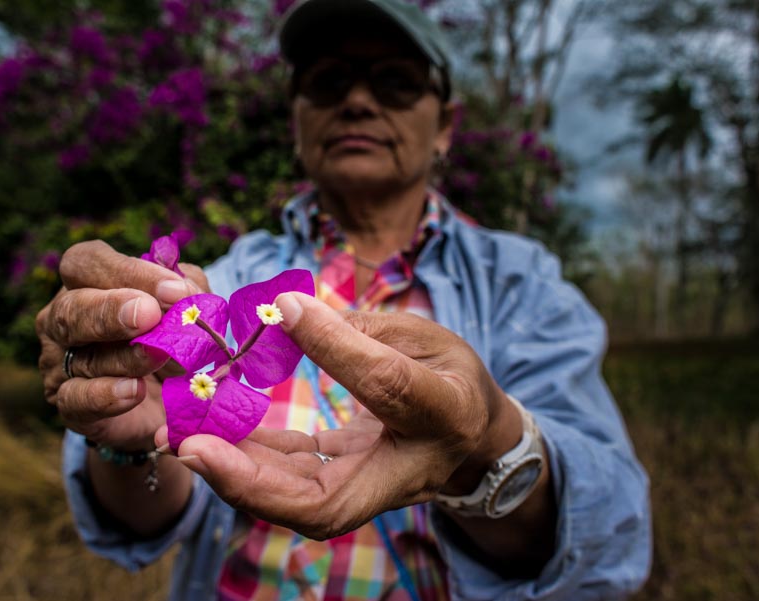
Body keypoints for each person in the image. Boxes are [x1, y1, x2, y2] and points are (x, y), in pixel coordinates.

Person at [35, 0, 652, 599]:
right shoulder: (222, 278)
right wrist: (123, 437)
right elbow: (148, 519)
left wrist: (485, 446)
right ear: (298, 121)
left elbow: (614, 539)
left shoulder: (522, 285)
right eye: (328, 82)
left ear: (444, 127)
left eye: (394, 82)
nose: (358, 101)